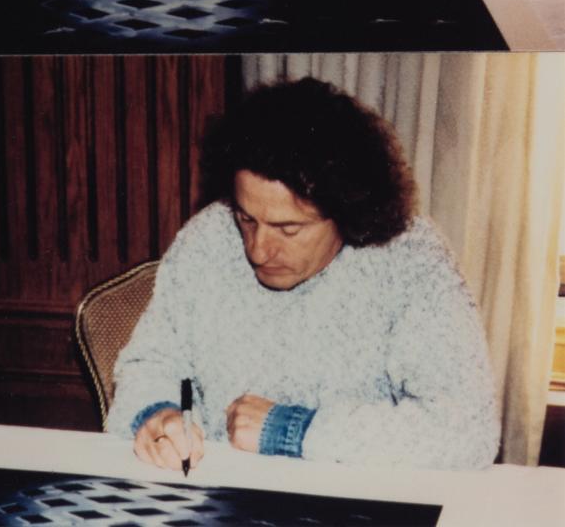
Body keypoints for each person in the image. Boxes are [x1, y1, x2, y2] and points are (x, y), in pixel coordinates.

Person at [106, 78, 500, 470]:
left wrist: (292, 430)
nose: (258, 249)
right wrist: (155, 414)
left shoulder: (411, 258)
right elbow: (149, 363)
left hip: (355, 492)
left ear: (347, 214)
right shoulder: (209, 236)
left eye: (288, 229)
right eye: (247, 218)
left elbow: (468, 429)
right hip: (221, 487)